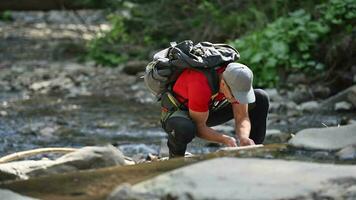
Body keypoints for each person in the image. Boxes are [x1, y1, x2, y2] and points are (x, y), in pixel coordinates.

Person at [160, 62, 269, 158]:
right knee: (184, 128)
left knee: (260, 98)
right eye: (236, 96)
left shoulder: (236, 79)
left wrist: (244, 138)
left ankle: (252, 152)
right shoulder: (200, 83)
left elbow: (242, 116)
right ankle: (175, 159)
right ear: (223, 84)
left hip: (207, 109)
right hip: (182, 114)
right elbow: (199, 127)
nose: (238, 99)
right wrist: (225, 139)